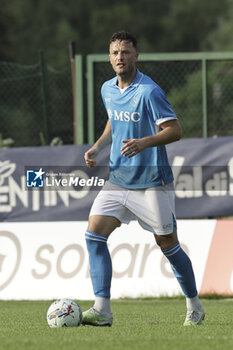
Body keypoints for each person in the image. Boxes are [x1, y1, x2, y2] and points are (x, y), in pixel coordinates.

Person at [82, 30, 205, 327]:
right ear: (109, 57)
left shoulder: (149, 91)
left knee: (167, 243)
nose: (119, 58)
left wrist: (143, 142)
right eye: (114, 53)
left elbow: (175, 130)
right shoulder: (107, 89)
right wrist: (98, 146)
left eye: (125, 52)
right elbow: (114, 116)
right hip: (118, 179)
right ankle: (102, 310)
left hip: (151, 181)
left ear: (136, 56)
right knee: (93, 235)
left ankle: (194, 306)